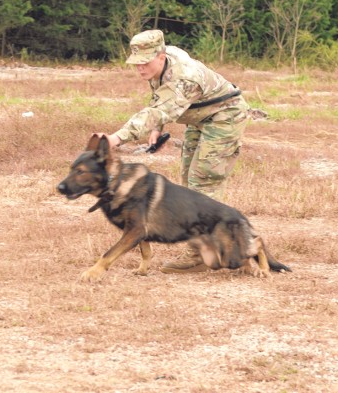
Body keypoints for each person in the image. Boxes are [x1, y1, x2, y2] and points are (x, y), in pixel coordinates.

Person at [100, 29, 250, 273]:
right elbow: (160, 100)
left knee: (204, 183)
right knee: (188, 183)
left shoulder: (184, 78)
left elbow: (159, 109)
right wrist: (157, 128)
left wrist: (116, 138)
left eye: (145, 63)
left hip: (225, 117)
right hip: (200, 118)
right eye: (136, 63)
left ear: (160, 56)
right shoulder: (163, 60)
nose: (140, 68)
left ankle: (206, 254)